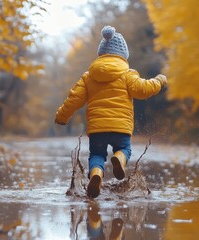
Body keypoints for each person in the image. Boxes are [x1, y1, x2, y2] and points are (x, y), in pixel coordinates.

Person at [55, 25, 167, 198]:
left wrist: (62, 117)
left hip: (97, 129)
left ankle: (96, 175)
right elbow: (143, 90)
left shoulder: (89, 76)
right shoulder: (127, 74)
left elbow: (73, 99)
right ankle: (120, 159)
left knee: (97, 155)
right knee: (124, 148)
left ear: (101, 54)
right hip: (120, 128)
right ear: (123, 56)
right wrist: (159, 81)